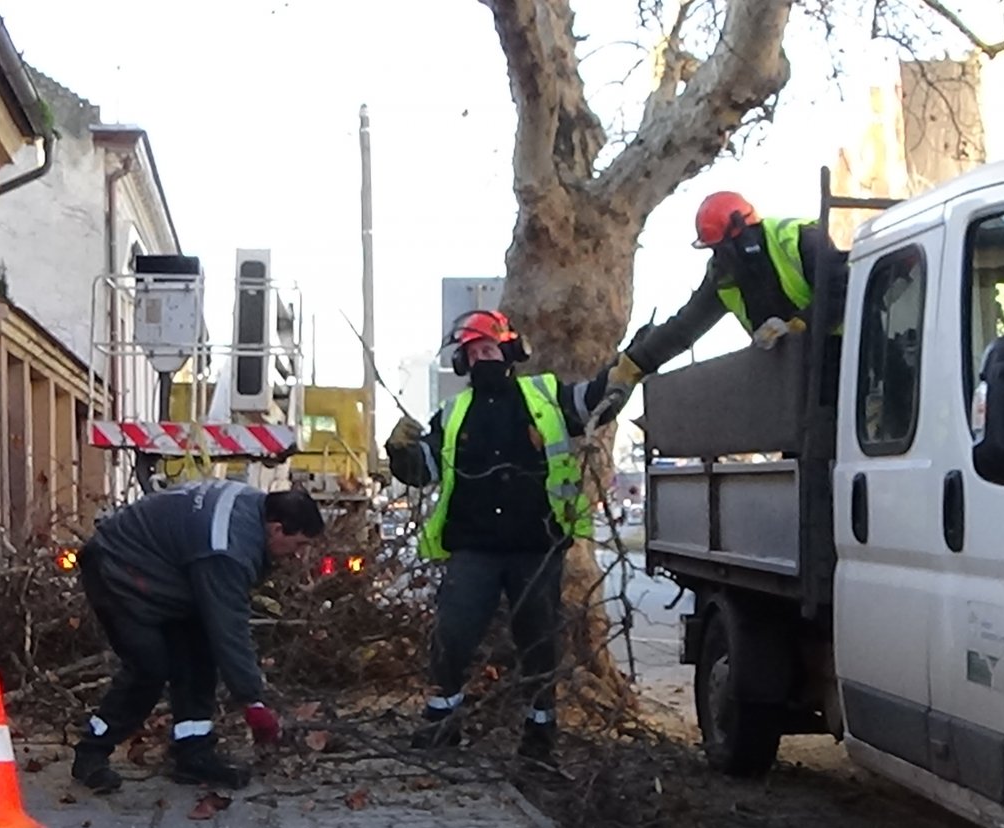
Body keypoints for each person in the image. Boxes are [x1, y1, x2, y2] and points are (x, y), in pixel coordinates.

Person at [385, 309, 666, 764]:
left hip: (535, 545)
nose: (482, 359)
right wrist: (401, 454)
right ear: (464, 363)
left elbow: (598, 400)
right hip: (473, 547)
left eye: (489, 350)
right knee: (452, 636)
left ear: (511, 351)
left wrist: (632, 362)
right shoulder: (452, 414)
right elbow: (424, 469)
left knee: (538, 642)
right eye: (474, 354)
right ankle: (442, 722)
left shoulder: (546, 395)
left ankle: (540, 734)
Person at [70, 480, 325, 794]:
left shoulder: (251, 507)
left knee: (198, 654)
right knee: (149, 666)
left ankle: (193, 753)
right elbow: (230, 629)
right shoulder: (226, 549)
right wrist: (252, 701)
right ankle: (91, 753)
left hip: (163, 574)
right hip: (116, 570)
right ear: (275, 529)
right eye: (299, 544)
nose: (300, 555)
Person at [629, 191, 849, 363]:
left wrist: (798, 326)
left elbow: (841, 291)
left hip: (853, 352)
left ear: (743, 238)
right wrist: (632, 366)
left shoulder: (797, 238)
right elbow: (683, 329)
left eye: (721, 248)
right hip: (796, 377)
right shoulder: (724, 277)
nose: (718, 257)